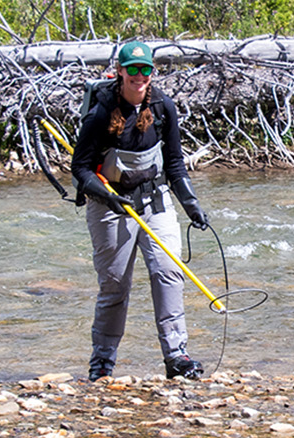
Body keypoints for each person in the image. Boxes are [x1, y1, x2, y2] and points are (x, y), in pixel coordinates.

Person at [71, 41, 211, 382]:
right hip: (110, 205)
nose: (139, 76)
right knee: (115, 285)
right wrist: (105, 195)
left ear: (152, 71)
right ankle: (102, 361)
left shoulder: (163, 107)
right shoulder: (100, 114)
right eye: (132, 69)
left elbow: (175, 163)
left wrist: (191, 204)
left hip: (155, 200)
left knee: (168, 271)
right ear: (119, 72)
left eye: (145, 69)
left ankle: (177, 355)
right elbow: (81, 168)